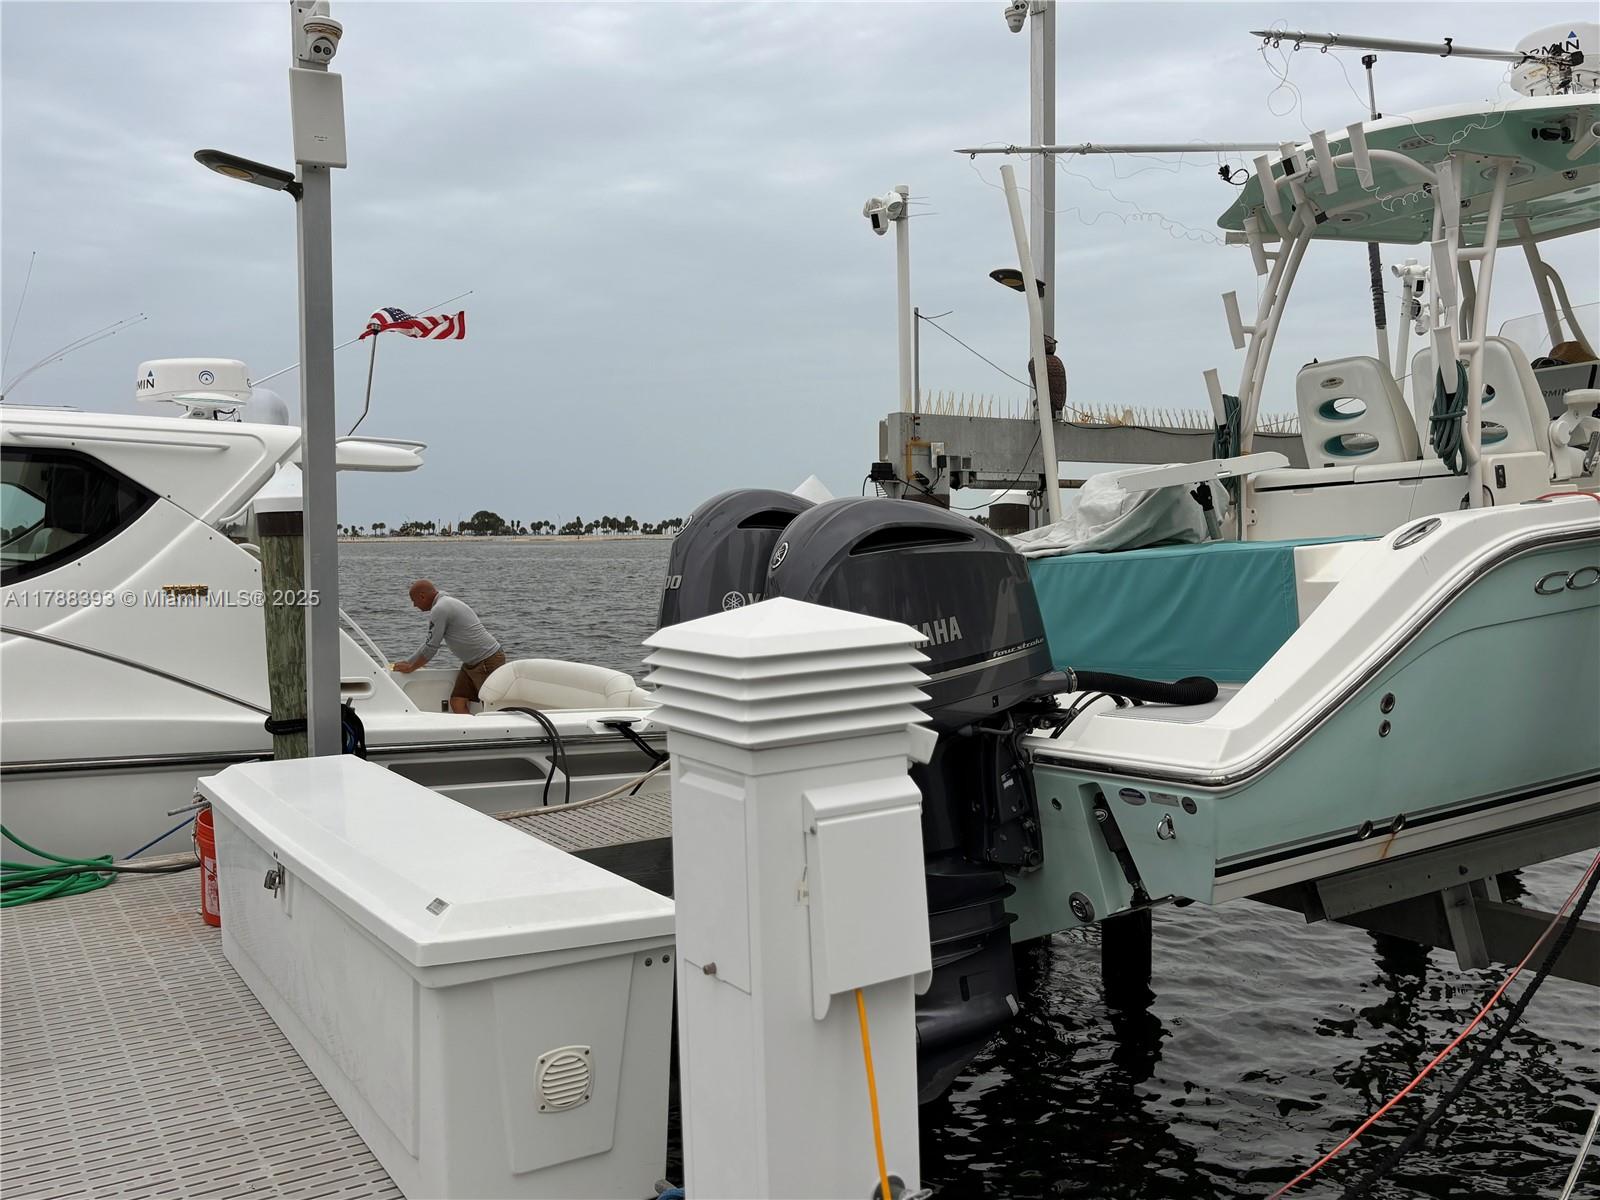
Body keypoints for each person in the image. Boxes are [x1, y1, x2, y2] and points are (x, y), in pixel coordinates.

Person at [392, 580, 507, 714]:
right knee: (457, 701)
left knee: (491, 707)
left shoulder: (441, 608)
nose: (414, 605)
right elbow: (428, 643)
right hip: (471, 663)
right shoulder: (444, 602)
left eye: (414, 600)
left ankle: (491, 733)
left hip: (487, 661)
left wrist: (412, 667)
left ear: (422, 596)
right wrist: (408, 661)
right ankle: (469, 733)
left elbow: (432, 647)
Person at [1027, 334, 1068, 420]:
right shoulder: (1058, 361)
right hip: (1058, 405)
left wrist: (1040, 402)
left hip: (1048, 405)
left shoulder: (1036, 362)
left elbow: (1040, 388)